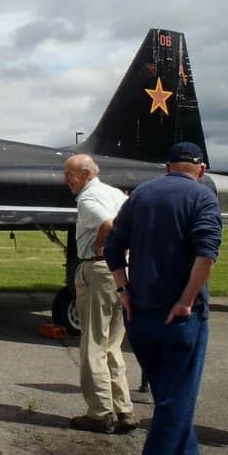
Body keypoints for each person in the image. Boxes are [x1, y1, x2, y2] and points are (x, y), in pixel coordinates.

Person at [104, 141, 222, 455]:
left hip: (140, 314)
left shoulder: (140, 195)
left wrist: (124, 291)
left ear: (167, 166)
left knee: (167, 391)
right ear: (200, 168)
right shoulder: (203, 197)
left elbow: (111, 246)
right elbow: (206, 255)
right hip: (180, 317)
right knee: (177, 399)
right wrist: (186, 302)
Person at [62, 154, 136, 434]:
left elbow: (110, 225)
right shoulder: (115, 193)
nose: (66, 179)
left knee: (93, 343)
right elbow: (129, 221)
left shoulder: (88, 199)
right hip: (121, 270)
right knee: (112, 343)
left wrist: (102, 246)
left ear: (86, 174)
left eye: (71, 173)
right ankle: (124, 409)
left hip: (99, 271)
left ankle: (100, 413)